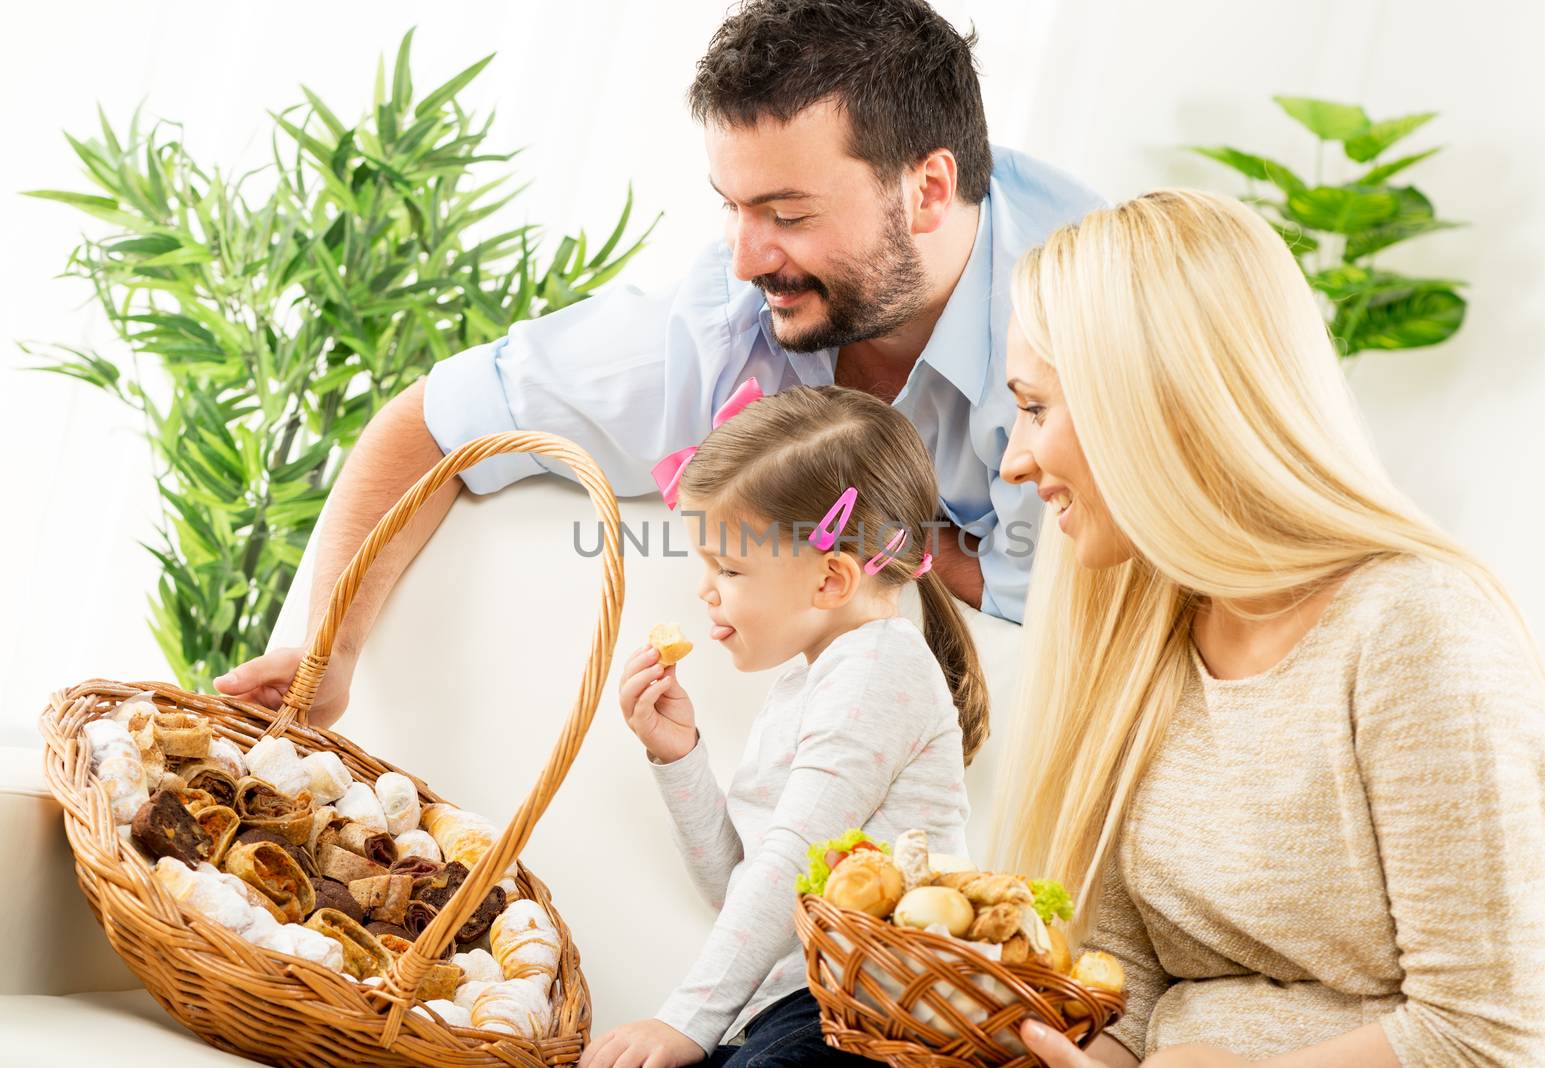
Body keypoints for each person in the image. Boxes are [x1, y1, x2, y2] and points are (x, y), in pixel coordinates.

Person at [214, 0, 1102, 725]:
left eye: (788, 214)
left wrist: (859, 532)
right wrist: (326, 657)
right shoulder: (730, 312)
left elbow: (1070, 600)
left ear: (928, 192)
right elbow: (435, 424)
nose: (749, 256)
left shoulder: (1097, 316)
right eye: (732, 206)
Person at [992, 189, 1545, 1066]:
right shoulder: (1146, 633)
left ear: (1152, 404)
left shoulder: (1414, 631)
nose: (1014, 459)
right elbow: (1126, 981)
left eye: (1037, 408)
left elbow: (1482, 1034)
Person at [579, 383, 989, 1068]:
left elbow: (790, 865)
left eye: (729, 567)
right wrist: (678, 757)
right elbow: (741, 888)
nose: (705, 590)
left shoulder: (878, 672)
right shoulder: (810, 678)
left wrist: (685, 1021)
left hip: (874, 1007)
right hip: (788, 1004)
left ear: (831, 579)